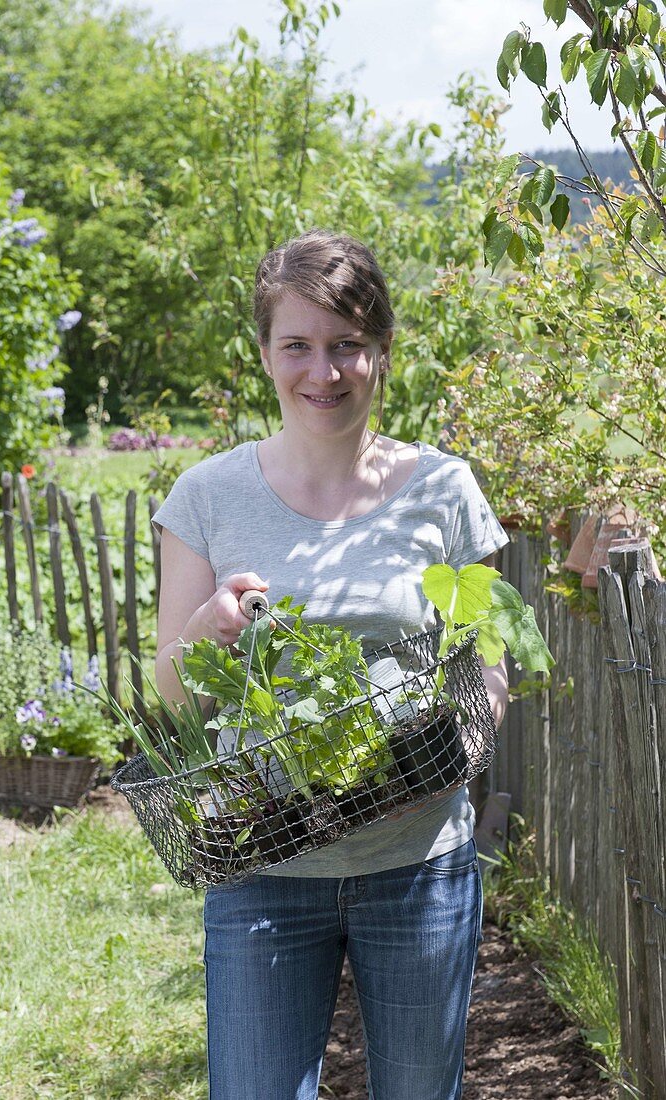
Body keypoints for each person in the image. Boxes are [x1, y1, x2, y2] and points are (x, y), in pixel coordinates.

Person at [151, 229, 509, 1100]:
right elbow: (171, 701)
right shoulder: (206, 497)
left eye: (348, 345)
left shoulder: (444, 490)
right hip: (264, 860)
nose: (325, 372)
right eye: (298, 346)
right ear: (265, 354)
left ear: (381, 350)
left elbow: (490, 665)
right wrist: (207, 630)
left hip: (418, 859)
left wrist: (453, 747)